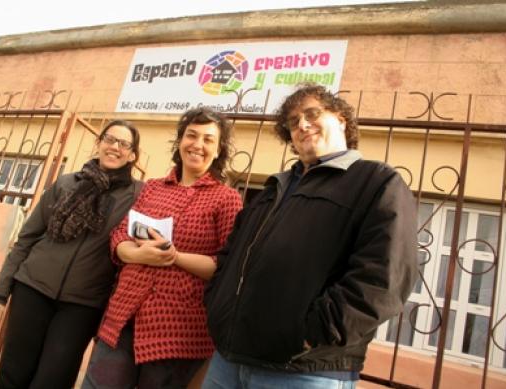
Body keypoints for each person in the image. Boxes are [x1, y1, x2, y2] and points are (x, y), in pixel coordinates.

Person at [202, 84, 419, 389]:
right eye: (293, 122)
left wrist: (313, 334)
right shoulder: (273, 189)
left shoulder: (376, 182)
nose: (302, 125)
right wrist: (217, 306)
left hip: (304, 370)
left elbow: (384, 278)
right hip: (228, 361)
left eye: (312, 114)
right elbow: (230, 255)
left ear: (341, 119)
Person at [82, 107, 243, 389]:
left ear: (218, 151)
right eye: (191, 135)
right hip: (123, 316)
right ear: (180, 141)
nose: (197, 144)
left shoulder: (226, 199)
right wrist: (134, 253)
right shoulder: (153, 187)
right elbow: (121, 233)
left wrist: (175, 257)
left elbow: (227, 266)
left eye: (208, 139)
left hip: (177, 330)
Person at [0, 120, 143, 389]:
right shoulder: (67, 183)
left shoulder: (138, 195)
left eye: (123, 144)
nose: (114, 147)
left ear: (133, 155)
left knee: (53, 380)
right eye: (109, 139)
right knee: (12, 374)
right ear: (99, 143)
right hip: (32, 288)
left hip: (83, 305)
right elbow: (27, 239)